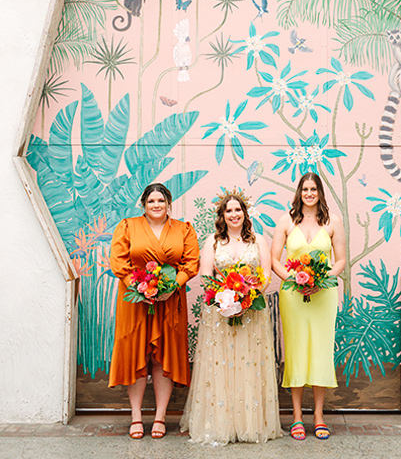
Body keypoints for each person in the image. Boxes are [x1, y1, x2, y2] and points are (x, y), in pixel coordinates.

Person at [180, 190, 282, 445]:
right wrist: (223, 299)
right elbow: (205, 276)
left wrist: (248, 298)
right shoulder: (212, 242)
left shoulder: (257, 241)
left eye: (238, 210)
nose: (234, 214)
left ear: (245, 214)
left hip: (251, 314)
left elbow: (267, 274)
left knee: (248, 364)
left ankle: (249, 424)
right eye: (229, 211)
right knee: (222, 366)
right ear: (222, 216)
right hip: (220, 314)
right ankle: (221, 424)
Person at [109, 183, 199, 439]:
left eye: (161, 200)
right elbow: (119, 260)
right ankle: (136, 416)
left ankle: (160, 416)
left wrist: (173, 287)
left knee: (163, 356)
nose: (156, 205)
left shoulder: (183, 229)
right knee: (137, 354)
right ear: (143, 205)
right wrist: (138, 288)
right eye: (151, 201)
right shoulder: (128, 226)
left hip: (170, 301)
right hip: (135, 301)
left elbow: (191, 262)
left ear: (168, 203)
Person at [271, 173, 346, 440]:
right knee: (297, 350)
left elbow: (340, 261)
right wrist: (295, 279)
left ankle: (318, 415)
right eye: (305, 189)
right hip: (294, 297)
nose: (309, 193)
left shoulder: (333, 221)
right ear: (299, 192)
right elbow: (275, 261)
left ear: (320, 192)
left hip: (323, 296)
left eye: (314, 189)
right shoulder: (286, 221)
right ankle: (296, 416)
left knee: (320, 351)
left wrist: (321, 279)